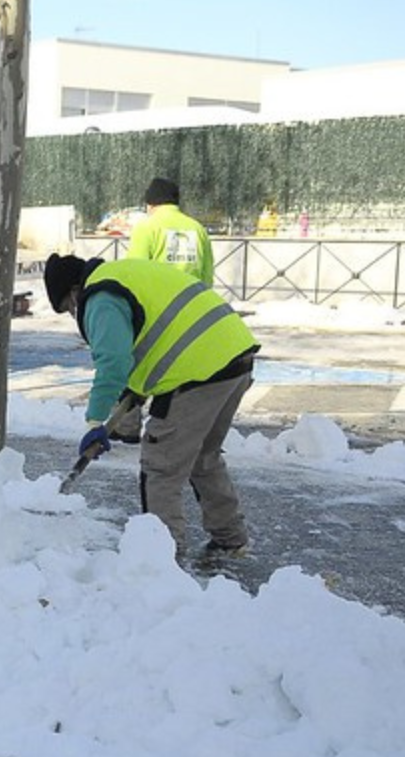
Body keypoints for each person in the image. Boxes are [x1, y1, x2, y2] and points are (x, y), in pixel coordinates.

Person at [44, 253, 260, 557]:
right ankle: (230, 538)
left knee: (160, 465)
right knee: (203, 456)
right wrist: (134, 392)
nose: (73, 312)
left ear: (74, 290)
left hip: (197, 374)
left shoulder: (101, 297)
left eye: (68, 306)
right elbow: (153, 337)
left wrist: (95, 422)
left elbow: (113, 362)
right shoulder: (125, 273)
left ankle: (162, 559)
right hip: (235, 358)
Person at [127, 177, 214, 286]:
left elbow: (135, 271)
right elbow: (207, 274)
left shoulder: (146, 227)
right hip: (193, 298)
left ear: (151, 203)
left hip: (158, 300)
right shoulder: (198, 228)